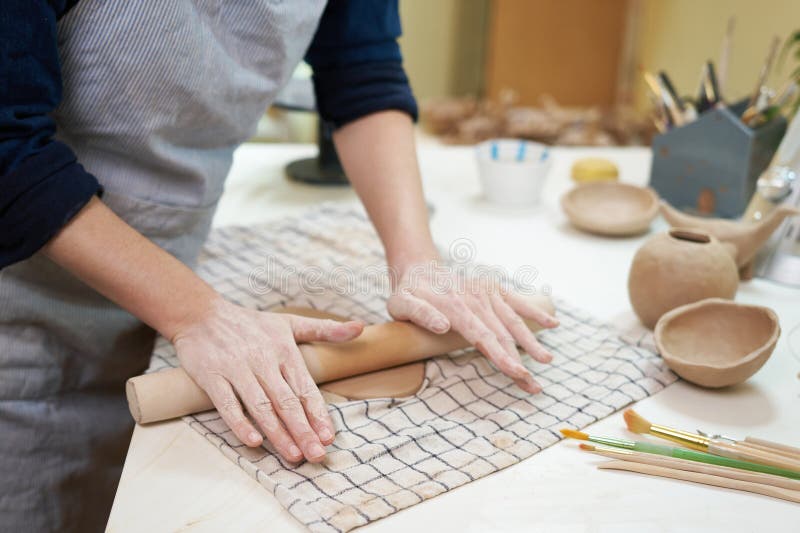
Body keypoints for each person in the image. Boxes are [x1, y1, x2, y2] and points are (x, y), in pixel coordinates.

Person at [0, 1, 558, 531]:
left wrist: (417, 261)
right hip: (27, 305)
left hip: (172, 264)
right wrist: (195, 313)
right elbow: (8, 147)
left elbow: (363, 72)